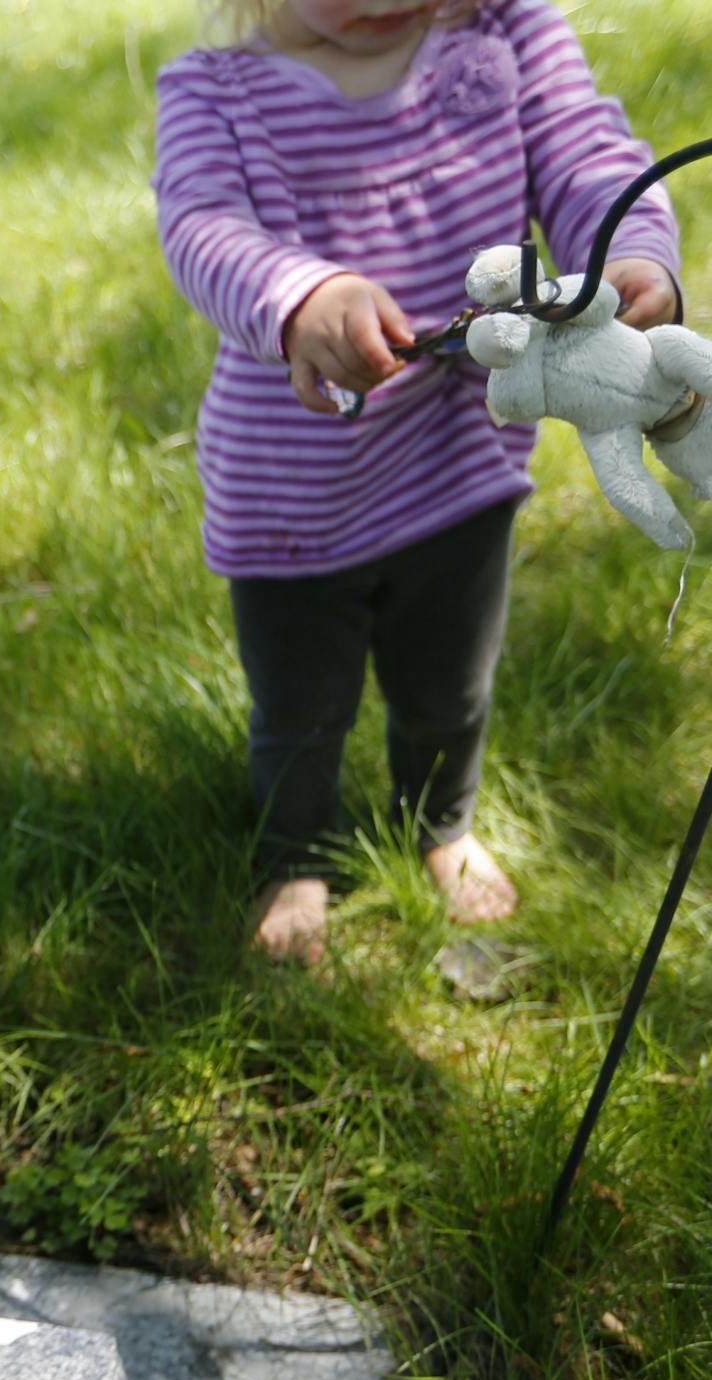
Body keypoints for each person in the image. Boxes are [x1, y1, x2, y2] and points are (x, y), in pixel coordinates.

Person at [153, 0, 682, 963]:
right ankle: (297, 857)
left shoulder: (506, 34)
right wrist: (299, 295)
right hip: (291, 498)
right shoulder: (214, 90)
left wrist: (633, 255)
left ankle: (441, 827)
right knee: (301, 708)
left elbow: (585, 155)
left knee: (449, 688)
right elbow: (200, 226)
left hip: (459, 466)